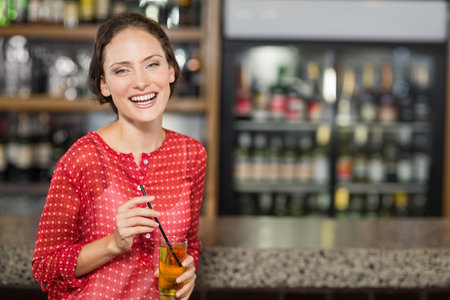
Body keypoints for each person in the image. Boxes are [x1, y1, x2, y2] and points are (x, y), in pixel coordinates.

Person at [32, 12, 206, 300]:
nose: (141, 82)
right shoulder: (83, 158)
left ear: (171, 71)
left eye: (152, 64)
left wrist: (188, 270)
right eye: (122, 70)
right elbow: (45, 265)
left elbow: (190, 245)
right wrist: (113, 243)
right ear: (104, 85)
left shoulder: (192, 155)